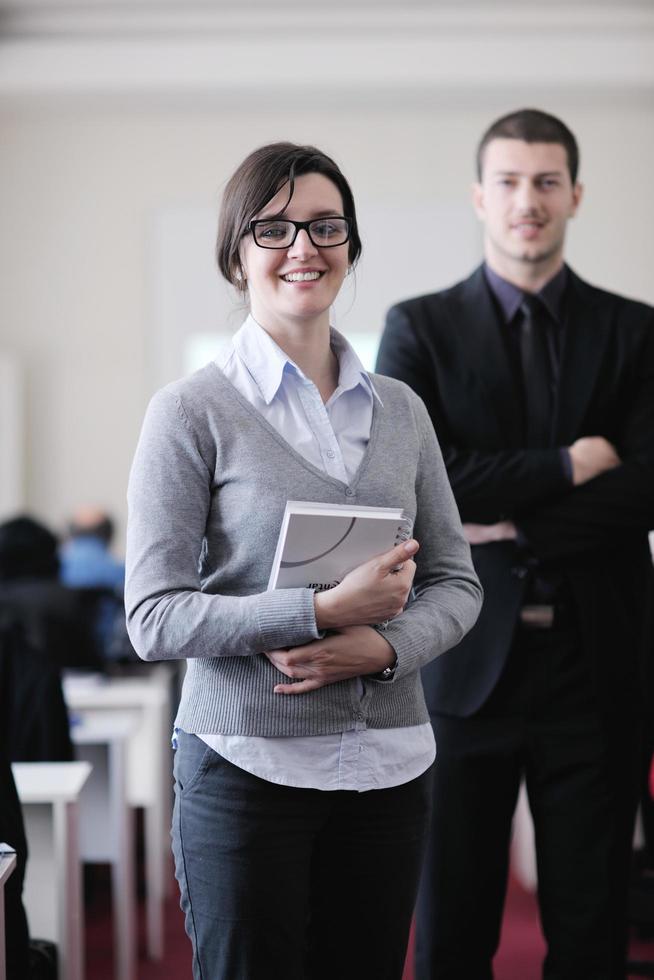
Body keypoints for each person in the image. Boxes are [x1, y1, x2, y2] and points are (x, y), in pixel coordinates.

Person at [125, 141, 482, 980]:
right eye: (274, 228)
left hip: (390, 771)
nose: (303, 247)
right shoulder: (190, 412)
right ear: (236, 253)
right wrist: (319, 614)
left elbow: (458, 582)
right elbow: (151, 616)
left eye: (326, 226)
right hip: (245, 769)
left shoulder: (402, 409)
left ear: (350, 248)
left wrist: (387, 648)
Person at [375, 107, 654, 979]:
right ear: (479, 198)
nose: (526, 200)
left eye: (544, 182)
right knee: (451, 928)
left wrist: (508, 515)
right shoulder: (418, 326)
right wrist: (570, 464)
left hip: (598, 663)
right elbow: (419, 482)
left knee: (590, 928)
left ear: (575, 195)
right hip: (460, 662)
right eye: (508, 182)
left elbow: (645, 487)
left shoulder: (637, 331)